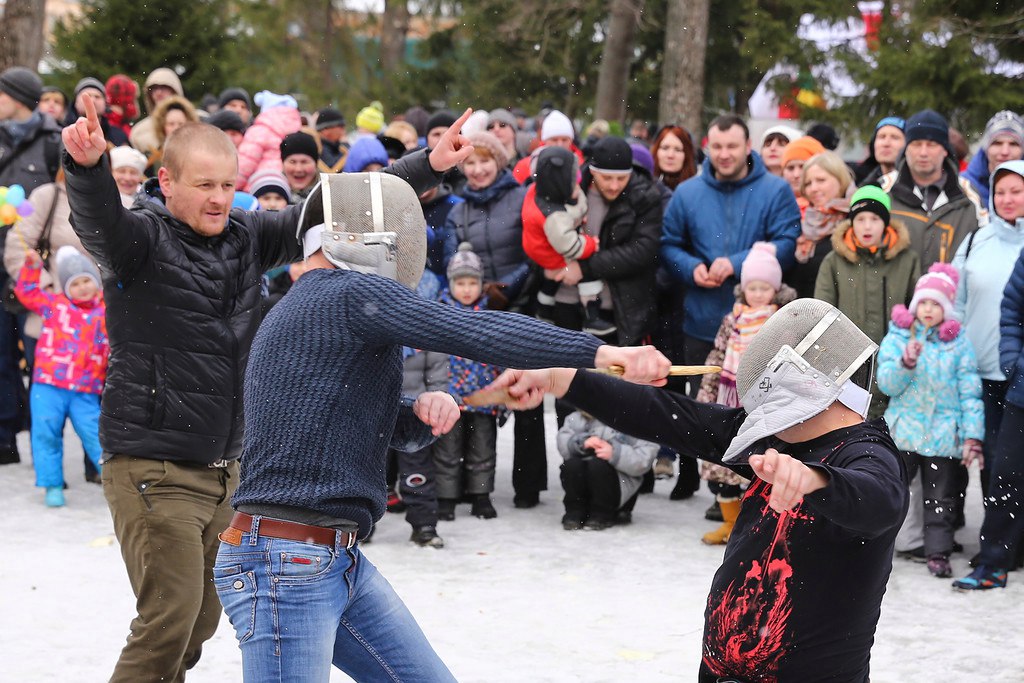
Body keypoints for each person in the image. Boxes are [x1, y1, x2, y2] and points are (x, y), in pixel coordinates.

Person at [59, 93, 474, 682]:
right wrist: (88, 170)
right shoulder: (138, 243)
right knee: (168, 617)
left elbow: (335, 208)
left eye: (228, 186)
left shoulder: (245, 237)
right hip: (153, 465)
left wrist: (426, 166)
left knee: (199, 619)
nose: (218, 198)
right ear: (166, 180)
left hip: (229, 467)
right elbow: (99, 221)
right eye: (204, 185)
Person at [215, 169, 671, 681]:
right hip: (287, 560)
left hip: (326, 556)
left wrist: (420, 415)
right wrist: (602, 353)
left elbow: (348, 424)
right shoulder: (345, 295)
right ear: (370, 236)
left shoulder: (318, 304)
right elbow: (471, 328)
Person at [487, 298, 907, 682]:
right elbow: (668, 415)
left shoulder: (868, 454)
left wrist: (816, 480)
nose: (755, 418)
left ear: (805, 390)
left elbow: (879, 501)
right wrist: (562, 379)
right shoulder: (779, 438)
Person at [876, 263, 983, 578]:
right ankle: (879, 545)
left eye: (936, 304)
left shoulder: (958, 344)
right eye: (923, 302)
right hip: (904, 431)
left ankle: (937, 551)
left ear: (946, 309)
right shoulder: (898, 337)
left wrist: (971, 437)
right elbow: (887, 384)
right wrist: (905, 362)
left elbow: (969, 392)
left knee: (940, 498)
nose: (928, 309)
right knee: (893, 491)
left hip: (941, 435)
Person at [696, 243, 796, 544]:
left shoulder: (783, 321)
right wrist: (707, 392)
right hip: (731, 399)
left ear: (775, 290)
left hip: (766, 404)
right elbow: (718, 354)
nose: (757, 293)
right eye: (751, 287)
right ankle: (729, 523)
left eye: (764, 287)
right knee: (725, 467)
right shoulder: (733, 320)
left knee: (759, 467)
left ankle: (758, 530)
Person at [954, 160, 1024, 590]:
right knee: (995, 465)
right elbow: (957, 303)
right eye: (1001, 191)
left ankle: (1006, 549)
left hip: (1016, 374)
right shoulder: (977, 238)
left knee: (1011, 465)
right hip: (981, 368)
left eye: (1017, 190)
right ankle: (997, 549)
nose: (1008, 199)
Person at [0, 66, 62, 466]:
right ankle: (5, 439)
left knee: (40, 361)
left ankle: (48, 450)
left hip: (33, 274)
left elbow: (61, 202)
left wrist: (22, 209)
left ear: (19, 98)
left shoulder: (53, 142)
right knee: (2, 357)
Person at [14, 247, 107, 507]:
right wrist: (32, 267)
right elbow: (27, 293)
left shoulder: (107, 312)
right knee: (45, 433)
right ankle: (52, 484)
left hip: (86, 389)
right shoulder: (56, 306)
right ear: (66, 287)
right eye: (75, 284)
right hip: (48, 385)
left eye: (87, 280)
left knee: (96, 436)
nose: (82, 288)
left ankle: (114, 483)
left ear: (96, 281)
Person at [433, 243, 506, 520]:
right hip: (449, 397)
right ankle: (446, 497)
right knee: (447, 450)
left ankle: (481, 495)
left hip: (483, 397)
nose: (466, 289)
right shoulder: (439, 313)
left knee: (483, 449)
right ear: (451, 283)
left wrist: (502, 394)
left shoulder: (491, 315)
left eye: (472, 283)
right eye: (460, 283)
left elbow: (501, 358)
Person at [522, 145, 614, 336]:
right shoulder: (554, 217)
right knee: (583, 268)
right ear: (560, 186)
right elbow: (572, 246)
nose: (578, 185)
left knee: (552, 276)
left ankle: (543, 307)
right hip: (547, 250)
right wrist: (591, 244)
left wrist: (577, 216)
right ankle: (592, 314)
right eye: (574, 182)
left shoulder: (541, 191)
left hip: (539, 243)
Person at [814, 185, 920, 346]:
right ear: (852, 222)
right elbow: (822, 312)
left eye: (875, 219)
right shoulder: (833, 262)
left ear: (885, 223)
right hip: (848, 356)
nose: (867, 226)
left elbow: (917, 309)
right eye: (860, 219)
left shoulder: (907, 260)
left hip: (894, 356)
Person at [878, 109, 984, 267]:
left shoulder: (969, 196)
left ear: (945, 149)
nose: (923, 153)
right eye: (916, 144)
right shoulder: (882, 190)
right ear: (906, 148)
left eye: (932, 145)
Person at [557, 409, 658, 530]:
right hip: (583, 475)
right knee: (572, 465)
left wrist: (615, 453)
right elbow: (563, 439)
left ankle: (602, 513)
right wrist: (581, 442)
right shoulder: (578, 417)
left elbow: (644, 459)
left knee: (598, 466)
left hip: (619, 483)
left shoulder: (635, 419)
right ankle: (575, 510)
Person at [786, 150, 855, 298]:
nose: (813, 188)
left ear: (840, 180)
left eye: (821, 180)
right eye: (808, 183)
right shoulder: (802, 220)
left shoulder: (856, 218)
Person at [236, 90, 302, 191]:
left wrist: (234, 186)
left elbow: (245, 164)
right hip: (284, 187)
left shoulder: (259, 130)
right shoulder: (297, 129)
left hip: (260, 185)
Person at [961, 110, 1023, 207]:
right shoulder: (963, 187)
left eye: (1013, 144)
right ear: (986, 148)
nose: (1005, 152)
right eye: (997, 143)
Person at [129, 67, 185, 156]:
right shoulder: (139, 131)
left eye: (164, 88)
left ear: (174, 90)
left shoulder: (194, 122)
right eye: (154, 88)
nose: (158, 93)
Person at [145, 95, 200, 174]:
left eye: (181, 124)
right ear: (162, 126)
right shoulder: (152, 159)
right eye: (171, 124)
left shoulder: (198, 155)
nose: (176, 128)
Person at [855, 116, 905, 186]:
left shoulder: (920, 184)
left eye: (895, 137)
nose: (886, 143)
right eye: (882, 137)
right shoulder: (858, 183)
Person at [780, 135, 826, 206]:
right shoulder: (773, 204)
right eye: (790, 168)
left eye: (803, 167)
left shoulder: (839, 207)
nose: (796, 175)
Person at [650, 124, 698, 192]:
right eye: (665, 148)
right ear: (656, 151)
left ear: (687, 155)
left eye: (678, 150)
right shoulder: (643, 188)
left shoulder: (696, 191)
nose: (670, 155)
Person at [314, 106, 349, 172]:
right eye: (341, 126)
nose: (344, 130)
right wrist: (345, 145)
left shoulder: (336, 146)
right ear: (325, 130)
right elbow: (332, 169)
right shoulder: (318, 147)